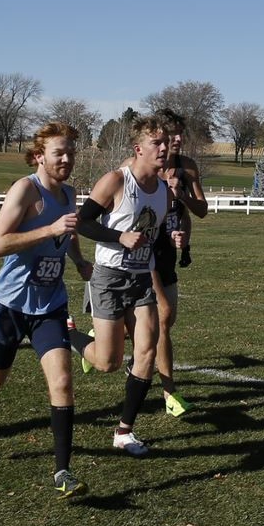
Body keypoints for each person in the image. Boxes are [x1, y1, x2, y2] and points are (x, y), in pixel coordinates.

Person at [0, 123, 93, 497]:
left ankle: (63, 471)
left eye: (71, 152)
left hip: (50, 305)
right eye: (60, 152)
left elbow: (68, 233)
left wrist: (78, 260)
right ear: (39, 155)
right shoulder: (25, 189)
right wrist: (48, 230)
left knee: (62, 381)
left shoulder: (69, 194)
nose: (67, 159)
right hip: (9, 305)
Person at [71, 114, 172, 456]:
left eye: (167, 142)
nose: (164, 148)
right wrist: (118, 237)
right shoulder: (115, 181)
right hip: (109, 277)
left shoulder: (163, 191)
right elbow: (82, 223)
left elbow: (152, 238)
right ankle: (65, 331)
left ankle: (124, 431)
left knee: (146, 351)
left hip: (141, 278)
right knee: (108, 362)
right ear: (138, 148)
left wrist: (173, 239)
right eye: (157, 143)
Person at [149, 109, 208, 416]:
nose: (178, 139)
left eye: (181, 134)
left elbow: (201, 210)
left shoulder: (187, 167)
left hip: (168, 254)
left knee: (164, 323)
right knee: (163, 317)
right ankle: (170, 393)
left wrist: (181, 198)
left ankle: (106, 332)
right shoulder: (143, 169)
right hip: (142, 254)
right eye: (172, 134)